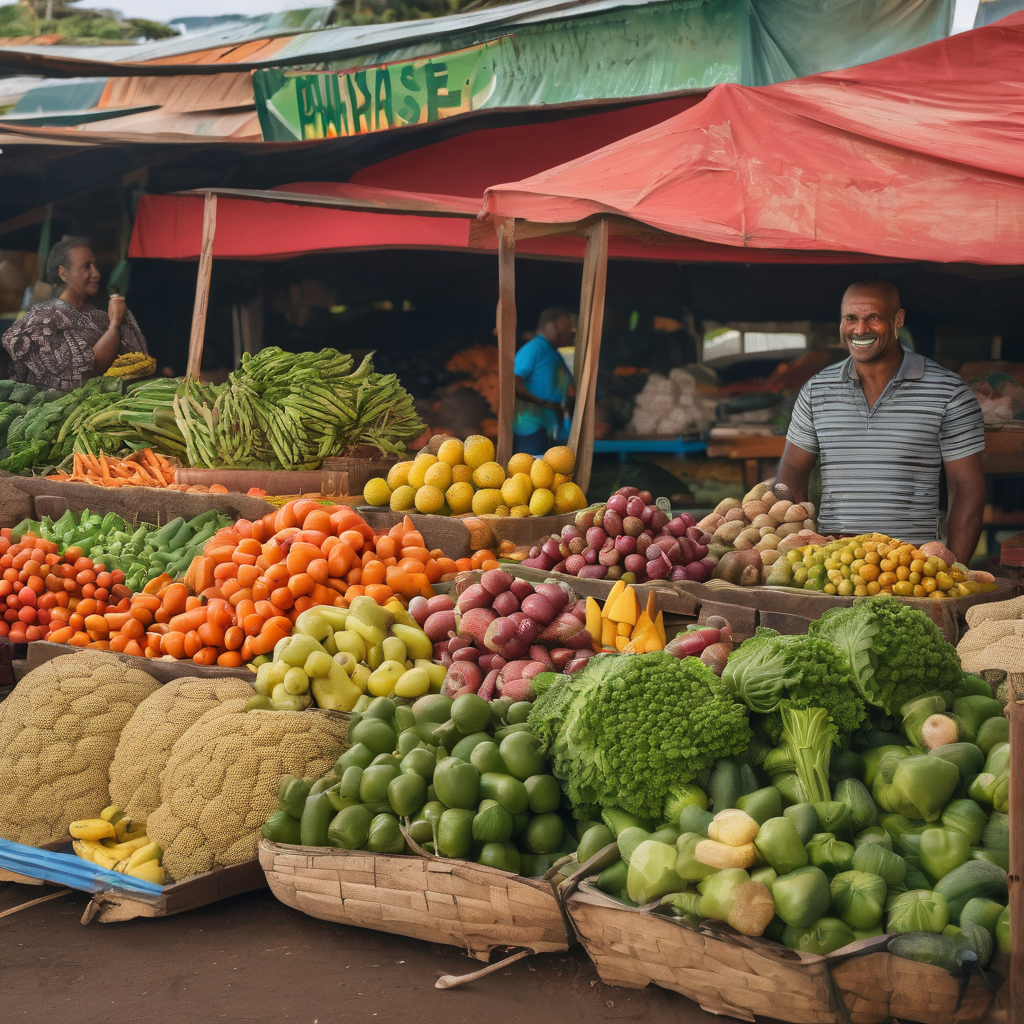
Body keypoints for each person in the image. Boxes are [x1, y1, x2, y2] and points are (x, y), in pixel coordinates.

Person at [775, 278, 985, 565]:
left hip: (913, 565)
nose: (860, 329)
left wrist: (954, 568)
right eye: (851, 318)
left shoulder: (948, 391)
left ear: (898, 320)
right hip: (835, 563)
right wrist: (799, 547)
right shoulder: (816, 390)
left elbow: (966, 486)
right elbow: (792, 471)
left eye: (873, 317)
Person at [0, 237, 148, 392]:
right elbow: (86, 372)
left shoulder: (95, 312)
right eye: (86, 267)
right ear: (64, 274)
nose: (96, 274)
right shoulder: (45, 319)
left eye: (95, 266)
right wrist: (115, 324)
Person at [513, 306, 575, 456]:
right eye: (564, 325)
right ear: (550, 325)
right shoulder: (534, 348)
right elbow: (513, 381)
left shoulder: (551, 351)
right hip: (530, 427)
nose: (567, 331)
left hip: (547, 425)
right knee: (529, 472)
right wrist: (542, 402)